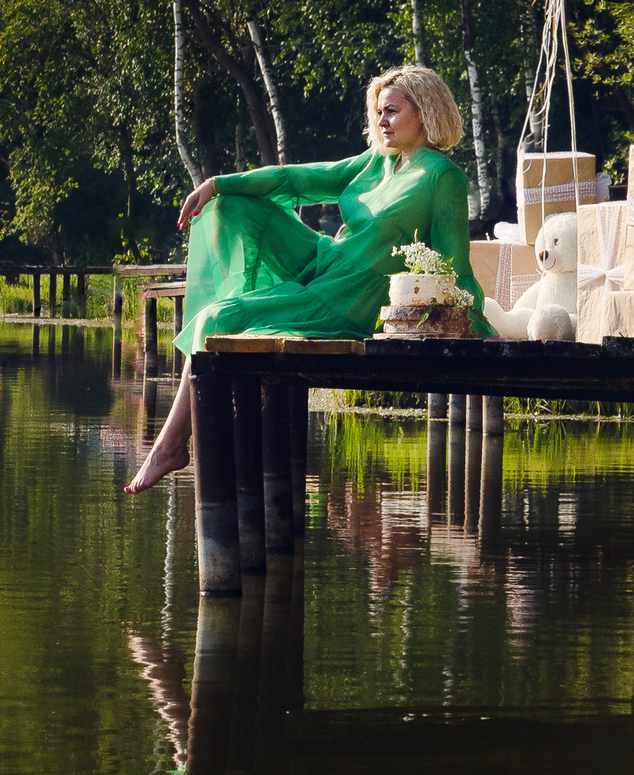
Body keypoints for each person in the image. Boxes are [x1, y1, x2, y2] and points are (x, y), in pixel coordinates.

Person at [124, 65, 480, 493]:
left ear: (423, 112)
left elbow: (455, 266)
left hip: (351, 299)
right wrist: (217, 184)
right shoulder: (375, 161)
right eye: (379, 112)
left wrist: (476, 322)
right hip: (322, 263)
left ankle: (170, 446)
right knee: (231, 205)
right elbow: (297, 178)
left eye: (392, 112)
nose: (381, 121)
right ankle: (261, 303)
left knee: (216, 319)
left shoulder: (442, 178)